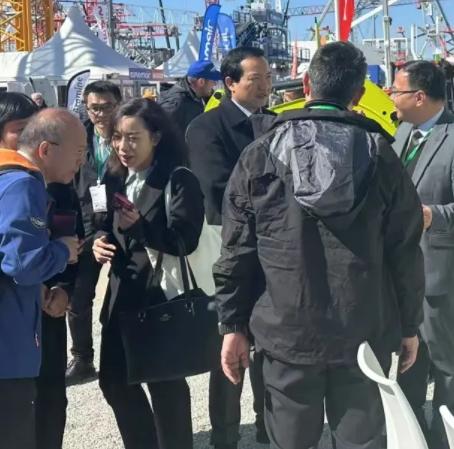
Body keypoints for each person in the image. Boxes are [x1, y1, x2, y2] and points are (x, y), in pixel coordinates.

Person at [214, 41, 425, 449]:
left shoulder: (260, 154)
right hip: (362, 327)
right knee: (362, 441)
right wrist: (409, 325)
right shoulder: (380, 154)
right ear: (359, 94)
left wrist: (233, 324)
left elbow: (236, 250)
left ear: (307, 84)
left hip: (286, 331)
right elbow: (404, 250)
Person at [91, 98, 204, 449]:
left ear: (155, 138)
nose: (123, 147)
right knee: (113, 380)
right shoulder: (112, 176)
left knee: (164, 383)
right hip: (121, 291)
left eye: (133, 138)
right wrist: (98, 241)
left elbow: (185, 240)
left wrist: (142, 228)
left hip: (158, 294)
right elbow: (99, 221)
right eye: (117, 137)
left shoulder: (178, 179)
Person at [390, 60, 454, 449]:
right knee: (408, 348)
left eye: (395, 91)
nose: (390, 97)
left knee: (444, 354)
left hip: (436, 265)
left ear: (418, 96)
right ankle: (412, 423)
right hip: (400, 265)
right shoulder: (402, 132)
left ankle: (445, 430)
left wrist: (434, 215)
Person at [186, 46, 275, 449]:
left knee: (270, 344)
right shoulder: (207, 127)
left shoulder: (275, 123)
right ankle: (224, 436)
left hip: (274, 250)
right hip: (230, 248)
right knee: (230, 342)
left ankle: (269, 427)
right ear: (230, 83)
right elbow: (218, 189)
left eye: (268, 78)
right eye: (255, 80)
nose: (265, 87)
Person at [0, 93, 87, 449]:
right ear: (46, 150)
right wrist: (61, 250)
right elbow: (22, 263)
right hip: (9, 348)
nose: (82, 160)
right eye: (78, 150)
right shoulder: (22, 184)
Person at [66, 80, 122, 384]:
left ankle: (127, 355)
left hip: (123, 224)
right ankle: (82, 359)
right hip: (86, 227)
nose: (101, 114)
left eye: (107, 107)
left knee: (126, 295)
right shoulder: (77, 137)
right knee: (77, 299)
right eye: (94, 108)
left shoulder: (128, 134)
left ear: (118, 104)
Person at [158, 59, 221, 140]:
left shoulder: (196, 96)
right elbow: (159, 134)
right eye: (213, 80)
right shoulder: (176, 103)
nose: (215, 84)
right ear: (201, 82)